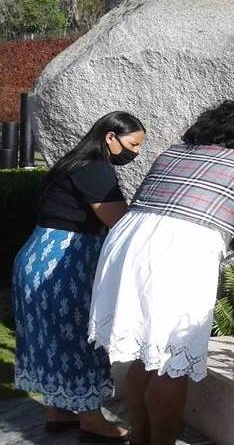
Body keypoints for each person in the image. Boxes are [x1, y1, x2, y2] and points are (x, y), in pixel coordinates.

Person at [88, 99, 234, 445]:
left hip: (129, 245)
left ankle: (140, 439)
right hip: (177, 256)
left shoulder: (174, 153)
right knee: (171, 363)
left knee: (146, 356)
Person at [12, 111, 146, 443]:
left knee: (52, 337)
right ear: (110, 138)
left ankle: (60, 413)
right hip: (64, 263)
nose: (137, 153)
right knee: (78, 338)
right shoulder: (95, 168)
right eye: (133, 144)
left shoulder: (75, 162)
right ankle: (91, 420)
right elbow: (118, 221)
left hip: (40, 257)